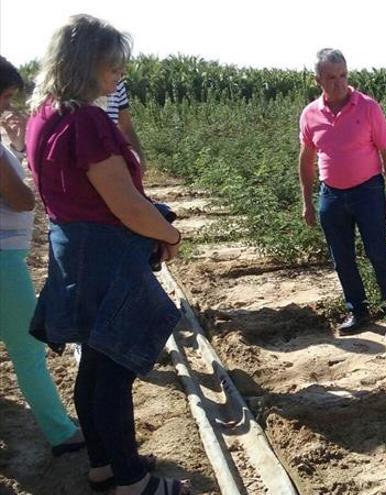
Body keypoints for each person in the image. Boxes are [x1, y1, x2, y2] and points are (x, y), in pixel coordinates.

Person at [26, 15, 188, 494]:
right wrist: (170, 235)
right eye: (111, 64)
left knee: (94, 364)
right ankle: (134, 481)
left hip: (71, 249)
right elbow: (126, 205)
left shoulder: (45, 115)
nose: (119, 73)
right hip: (105, 253)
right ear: (86, 63)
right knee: (114, 369)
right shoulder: (88, 120)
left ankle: (104, 464)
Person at [0, 55, 86, 458]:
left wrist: (14, 148)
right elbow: (19, 200)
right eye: (4, 98)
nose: (7, 107)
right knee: (28, 349)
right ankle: (61, 432)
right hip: (2, 261)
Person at [298, 48, 386, 339]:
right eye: (331, 77)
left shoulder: (368, 107)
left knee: (377, 251)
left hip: (368, 191)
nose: (339, 83)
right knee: (341, 257)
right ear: (317, 79)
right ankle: (358, 310)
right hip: (331, 195)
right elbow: (306, 160)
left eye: (343, 75)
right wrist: (308, 202)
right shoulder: (310, 114)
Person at [95, 80, 146, 164]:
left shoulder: (118, 84)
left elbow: (126, 128)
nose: (120, 74)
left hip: (111, 157)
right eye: (114, 70)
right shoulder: (78, 85)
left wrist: (140, 161)